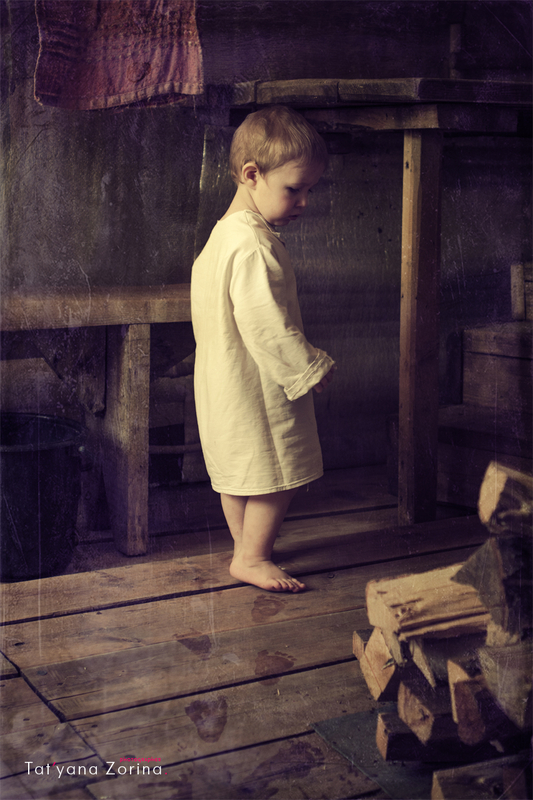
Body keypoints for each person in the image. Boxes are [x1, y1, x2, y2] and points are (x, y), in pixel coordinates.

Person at [191, 105, 336, 593]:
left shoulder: (220, 238)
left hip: (221, 382)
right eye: (294, 189)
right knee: (279, 471)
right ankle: (253, 556)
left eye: (309, 190)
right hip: (257, 387)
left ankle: (244, 548)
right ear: (252, 175)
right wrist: (308, 367)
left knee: (239, 471)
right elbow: (266, 324)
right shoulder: (253, 246)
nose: (303, 202)